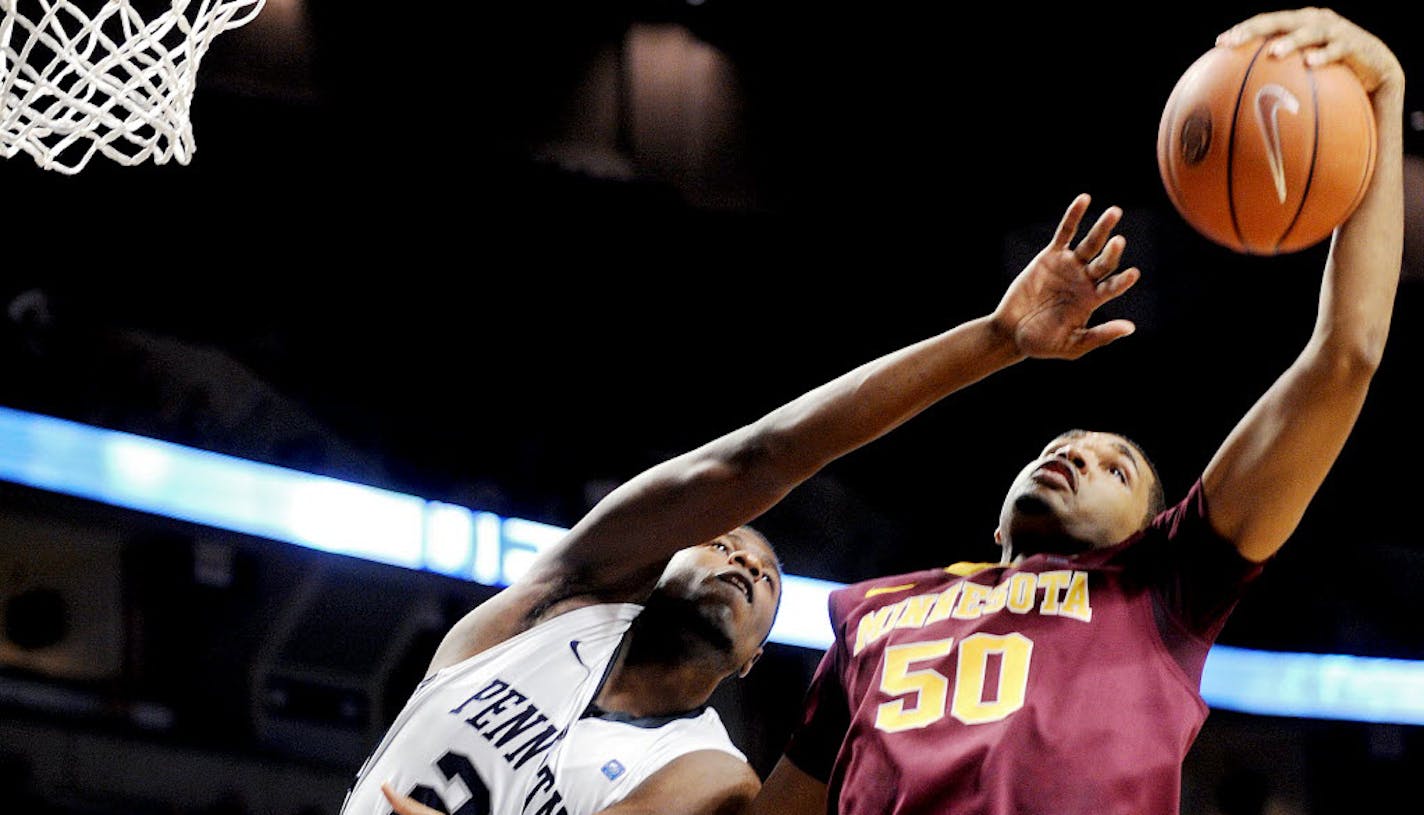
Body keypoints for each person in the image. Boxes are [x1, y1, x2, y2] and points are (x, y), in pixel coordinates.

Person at [341, 124, 1149, 815]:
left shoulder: (712, 775)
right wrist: (996, 339)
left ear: (754, 657)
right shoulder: (552, 604)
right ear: (662, 562)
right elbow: (767, 453)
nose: (743, 562)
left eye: (765, 576)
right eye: (726, 542)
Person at [741, 7, 1406, 815]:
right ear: (995, 527)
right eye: (1064, 443)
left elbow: (1347, 356)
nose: (1077, 455)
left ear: (1143, 529)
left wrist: (1383, 98)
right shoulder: (871, 612)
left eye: (1114, 466)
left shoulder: (1161, 584)